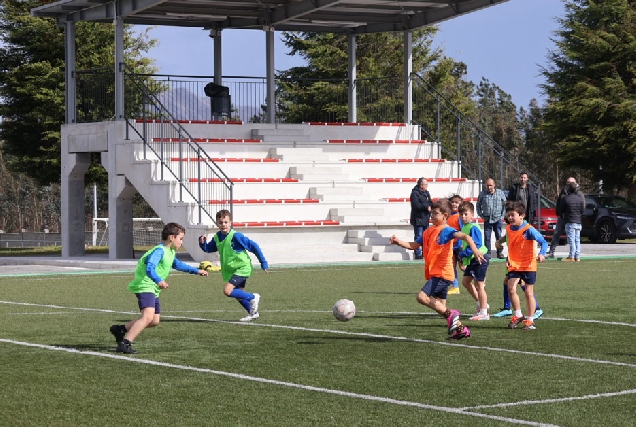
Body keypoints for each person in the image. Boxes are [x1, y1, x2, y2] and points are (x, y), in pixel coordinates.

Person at [389, 198, 486, 340]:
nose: (432, 216)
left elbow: (465, 236)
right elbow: (414, 245)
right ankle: (461, 329)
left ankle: (453, 315)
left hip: (443, 274)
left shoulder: (446, 230)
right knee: (441, 308)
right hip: (436, 273)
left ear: (445, 215)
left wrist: (475, 249)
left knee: (422, 297)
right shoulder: (429, 231)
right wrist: (398, 242)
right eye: (431, 213)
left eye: (435, 213)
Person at [110, 222, 209, 354]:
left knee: (154, 321)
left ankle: (120, 329)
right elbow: (150, 268)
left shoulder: (170, 251)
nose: (182, 242)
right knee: (147, 317)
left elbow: (178, 265)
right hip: (146, 284)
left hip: (153, 287)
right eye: (181, 238)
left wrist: (196, 271)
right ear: (172, 237)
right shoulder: (159, 250)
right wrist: (159, 280)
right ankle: (125, 343)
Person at [199, 209, 269, 322]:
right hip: (233, 269)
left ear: (231, 222)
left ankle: (253, 297)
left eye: (226, 222)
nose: (223, 225)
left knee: (227, 291)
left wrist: (263, 262)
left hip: (242, 267)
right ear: (217, 224)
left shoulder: (236, 236)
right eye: (220, 222)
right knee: (238, 294)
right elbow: (209, 248)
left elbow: (253, 246)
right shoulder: (217, 237)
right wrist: (202, 244)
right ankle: (253, 313)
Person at [495, 201, 548, 330]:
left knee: (529, 293)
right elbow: (507, 236)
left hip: (529, 265)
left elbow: (543, 242)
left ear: (522, 215)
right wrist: (499, 242)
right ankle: (518, 314)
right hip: (514, 264)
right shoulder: (508, 228)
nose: (510, 218)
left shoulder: (528, 230)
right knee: (511, 288)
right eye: (508, 215)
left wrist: (542, 254)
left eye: (513, 215)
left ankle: (530, 320)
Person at [457, 201, 490, 320]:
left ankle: (484, 312)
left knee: (479, 285)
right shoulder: (464, 227)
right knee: (465, 282)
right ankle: (481, 304)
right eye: (461, 215)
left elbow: (476, 245)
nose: (463, 217)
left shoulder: (473, 227)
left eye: (466, 214)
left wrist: (462, 254)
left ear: (472, 215)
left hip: (480, 258)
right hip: (472, 260)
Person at [548, 177, 585, 258]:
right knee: (557, 233)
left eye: (570, 183)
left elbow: (582, 207)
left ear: (575, 183)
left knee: (574, 238)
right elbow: (559, 203)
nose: (568, 184)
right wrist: (559, 213)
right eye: (567, 182)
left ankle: (574, 255)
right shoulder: (563, 192)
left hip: (572, 218)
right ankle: (551, 251)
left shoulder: (579, 194)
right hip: (563, 217)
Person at [476, 178, 507, 259]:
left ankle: (499, 253)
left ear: (494, 185)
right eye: (487, 185)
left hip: (497, 219)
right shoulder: (482, 194)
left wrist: (502, 216)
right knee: (487, 237)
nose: (489, 187)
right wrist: (482, 216)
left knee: (499, 236)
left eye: (490, 185)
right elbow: (478, 206)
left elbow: (505, 205)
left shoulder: (500, 193)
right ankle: (488, 253)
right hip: (487, 219)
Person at [557, 181, 585, 262]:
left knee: (572, 239)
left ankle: (571, 256)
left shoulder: (566, 198)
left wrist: (562, 214)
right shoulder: (580, 199)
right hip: (578, 221)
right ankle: (577, 256)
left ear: (568, 189)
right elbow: (582, 210)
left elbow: (561, 209)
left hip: (570, 221)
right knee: (577, 239)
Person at [409, 178, 432, 260]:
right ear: (421, 185)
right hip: (418, 218)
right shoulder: (415, 194)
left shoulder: (427, 193)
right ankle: (417, 253)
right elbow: (415, 205)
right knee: (418, 236)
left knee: (426, 236)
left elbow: (430, 202)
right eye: (425, 184)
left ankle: (425, 252)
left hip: (425, 218)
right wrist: (426, 207)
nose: (427, 186)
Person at [446, 194, 463, 295]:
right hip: (451, 246)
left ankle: (479, 281)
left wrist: (462, 244)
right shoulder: (448, 216)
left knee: (463, 267)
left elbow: (463, 231)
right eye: (452, 202)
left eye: (456, 202)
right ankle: (455, 287)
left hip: (459, 246)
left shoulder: (460, 217)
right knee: (452, 266)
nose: (454, 204)